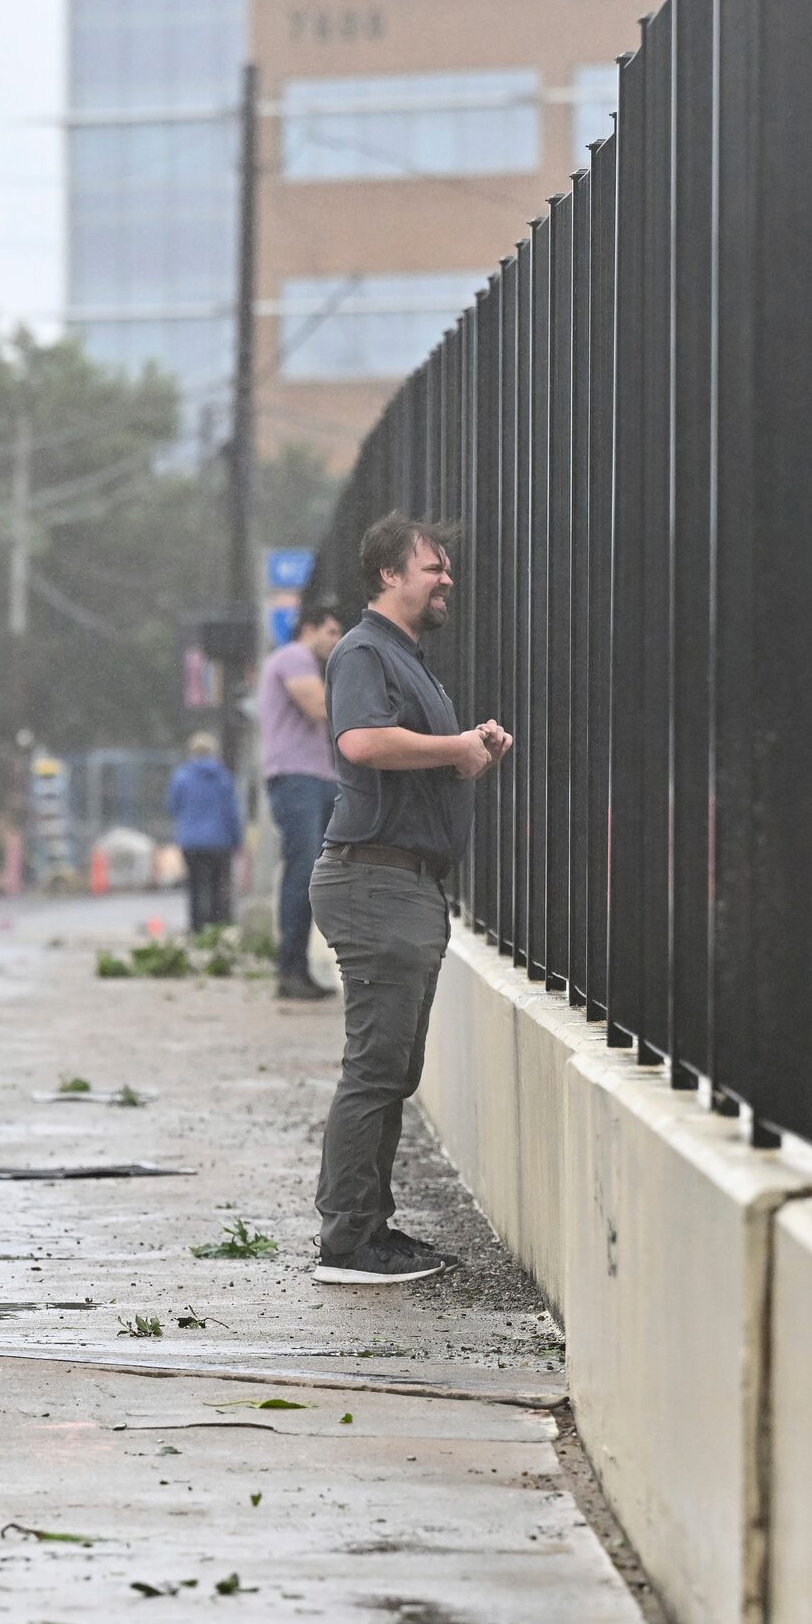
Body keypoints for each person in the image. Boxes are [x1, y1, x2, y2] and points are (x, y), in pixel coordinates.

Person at [309, 513, 511, 1286]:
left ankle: (368, 1228)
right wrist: (451, 746)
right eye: (433, 567)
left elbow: (418, 760)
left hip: (399, 884)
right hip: (374, 882)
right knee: (376, 1067)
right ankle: (349, 1243)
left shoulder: (404, 657)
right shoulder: (365, 651)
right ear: (389, 575)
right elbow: (360, 742)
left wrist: (470, 754)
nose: (446, 579)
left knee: (389, 1067)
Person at [256, 600, 346, 1001]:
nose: (337, 641)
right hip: (297, 779)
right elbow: (317, 706)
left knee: (314, 873)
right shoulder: (293, 657)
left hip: (315, 777)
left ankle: (298, 968)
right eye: (331, 632)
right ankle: (289, 967)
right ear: (308, 628)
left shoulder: (305, 662)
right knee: (302, 870)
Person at [167, 732, 242, 933]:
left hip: (191, 841)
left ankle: (196, 928)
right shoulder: (222, 776)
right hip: (219, 841)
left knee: (195, 887)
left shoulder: (181, 777)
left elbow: (173, 807)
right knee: (218, 887)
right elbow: (232, 812)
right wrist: (237, 841)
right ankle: (217, 930)